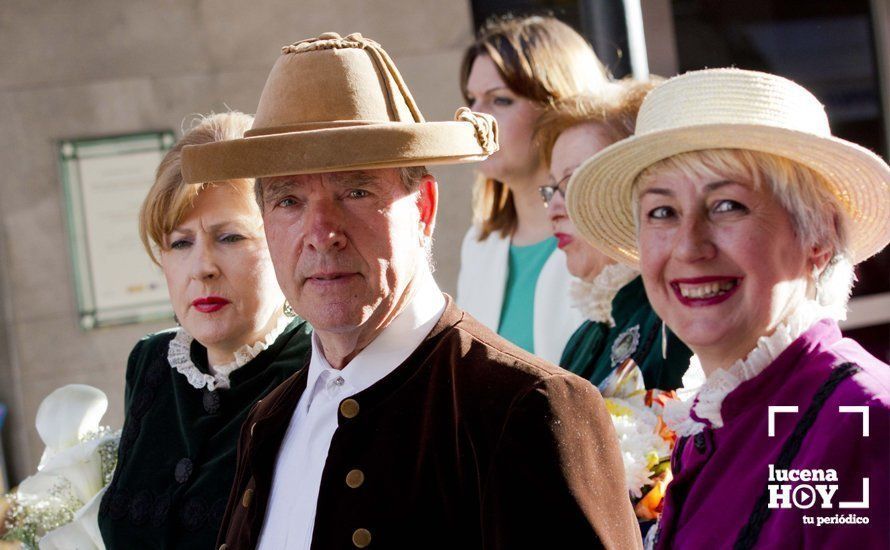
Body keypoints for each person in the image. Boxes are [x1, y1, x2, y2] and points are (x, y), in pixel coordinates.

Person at [180, 32, 640, 549]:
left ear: (422, 208)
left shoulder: (527, 406)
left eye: (356, 191)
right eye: (288, 201)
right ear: (264, 221)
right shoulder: (269, 420)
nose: (321, 232)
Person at [568, 68, 890, 549]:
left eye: (727, 206)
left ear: (817, 238)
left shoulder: (864, 421)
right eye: (662, 212)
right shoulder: (714, 419)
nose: (689, 246)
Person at [98, 112, 312, 548]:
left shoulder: (321, 367)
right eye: (180, 243)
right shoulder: (151, 362)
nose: (203, 268)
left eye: (230, 237)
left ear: (282, 239)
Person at [456, 15, 609, 363]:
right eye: (471, 98)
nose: (474, 118)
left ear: (559, 108)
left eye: (500, 100)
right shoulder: (479, 244)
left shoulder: (606, 244)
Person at [534, 81, 692, 391]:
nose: (554, 208)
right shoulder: (584, 336)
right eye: (552, 188)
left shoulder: (684, 312)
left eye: (575, 182)